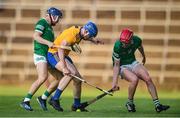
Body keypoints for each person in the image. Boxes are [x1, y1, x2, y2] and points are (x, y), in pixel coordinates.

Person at [37, 21, 103, 112]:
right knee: (70, 73)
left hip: (63, 54)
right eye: (89, 35)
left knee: (78, 79)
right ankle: (54, 99)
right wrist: (64, 68)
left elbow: (85, 37)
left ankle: (76, 105)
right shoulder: (71, 35)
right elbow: (60, 48)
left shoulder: (81, 31)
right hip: (54, 53)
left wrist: (94, 40)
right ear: (86, 31)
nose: (88, 36)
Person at [112, 28, 170, 113]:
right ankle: (130, 103)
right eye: (122, 42)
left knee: (148, 78)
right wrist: (114, 83)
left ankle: (158, 105)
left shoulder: (137, 40)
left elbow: (140, 47)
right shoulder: (117, 45)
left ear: (131, 39)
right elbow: (116, 65)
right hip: (122, 66)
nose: (123, 45)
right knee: (134, 79)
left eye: (126, 43)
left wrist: (144, 56)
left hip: (133, 62)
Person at [20, 7, 63, 111]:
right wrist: (48, 43)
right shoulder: (42, 22)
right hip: (40, 53)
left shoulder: (50, 28)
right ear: (53, 16)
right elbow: (36, 36)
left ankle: (43, 98)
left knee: (60, 78)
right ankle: (26, 100)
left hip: (47, 55)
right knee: (43, 77)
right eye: (58, 18)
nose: (58, 21)